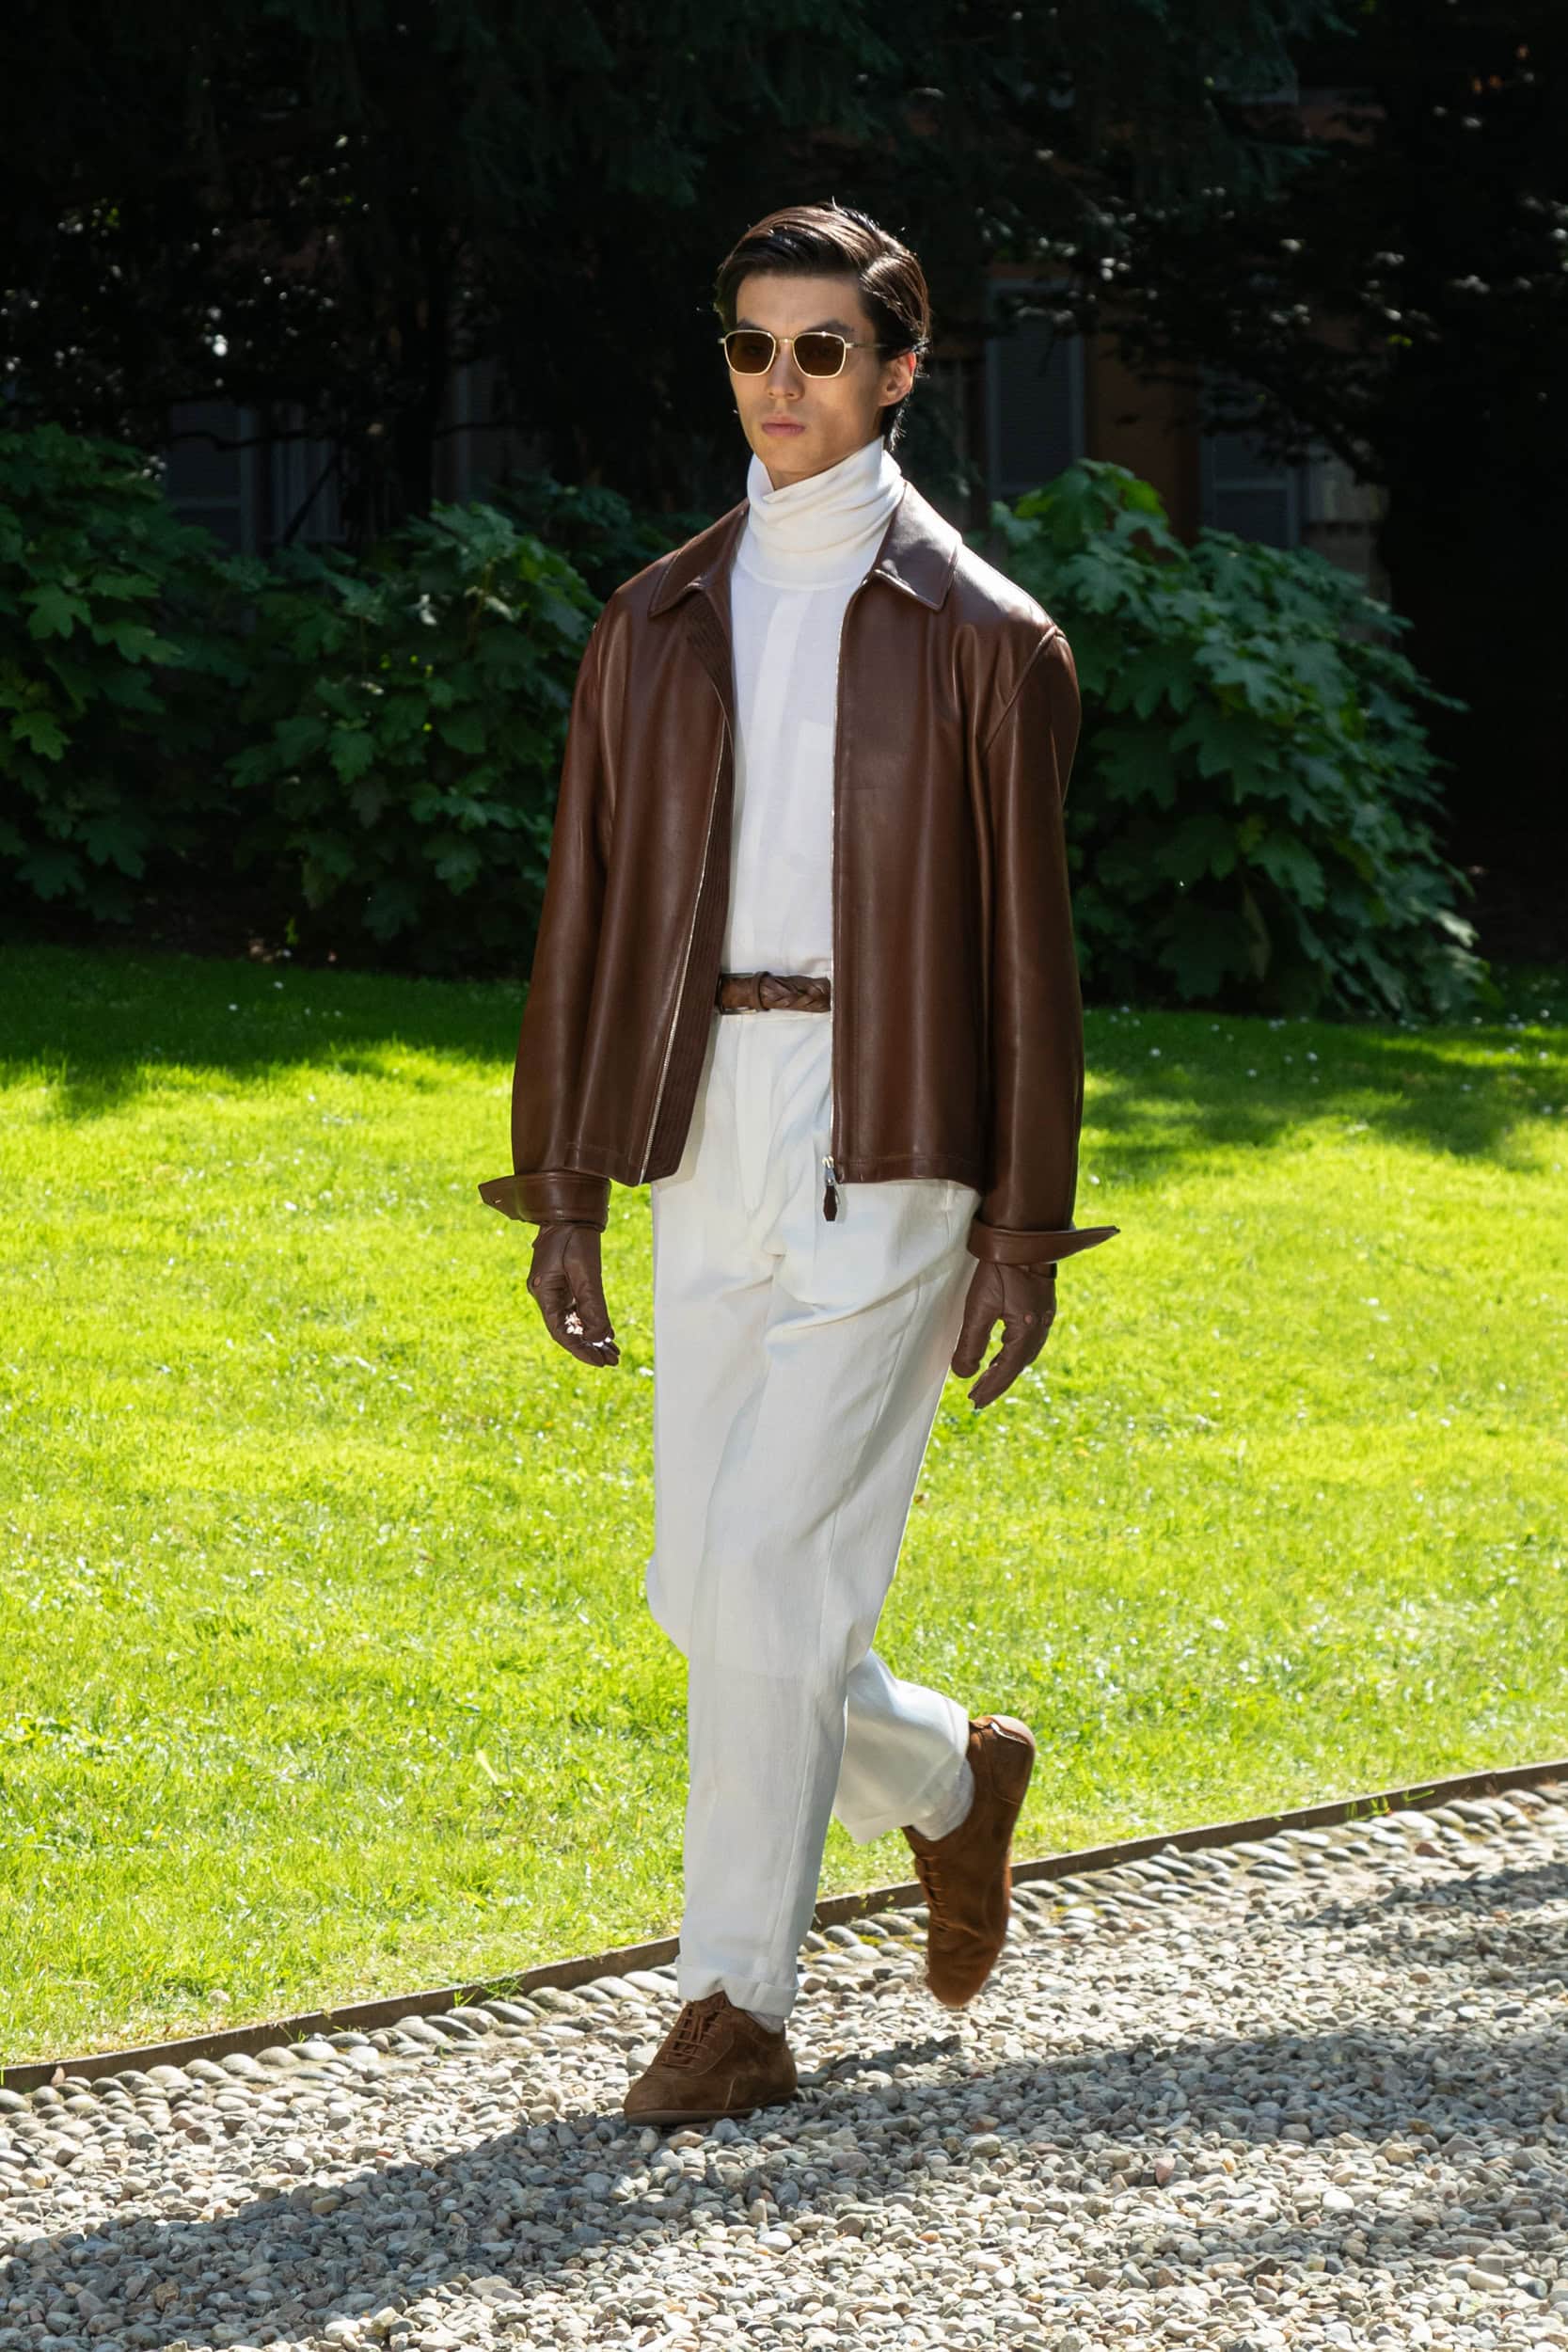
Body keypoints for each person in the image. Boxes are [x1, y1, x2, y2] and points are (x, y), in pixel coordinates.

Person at [479, 199, 1117, 2125]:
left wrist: (1021, 1229)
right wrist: (565, 1179)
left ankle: (735, 2002)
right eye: (752, 347)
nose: (780, 382)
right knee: (705, 1587)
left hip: (895, 1135)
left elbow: (1030, 960)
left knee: (763, 1563)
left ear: (900, 370)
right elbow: (587, 913)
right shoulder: (653, 621)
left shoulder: (990, 641)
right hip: (705, 1127)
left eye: (822, 349)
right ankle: (945, 1775)